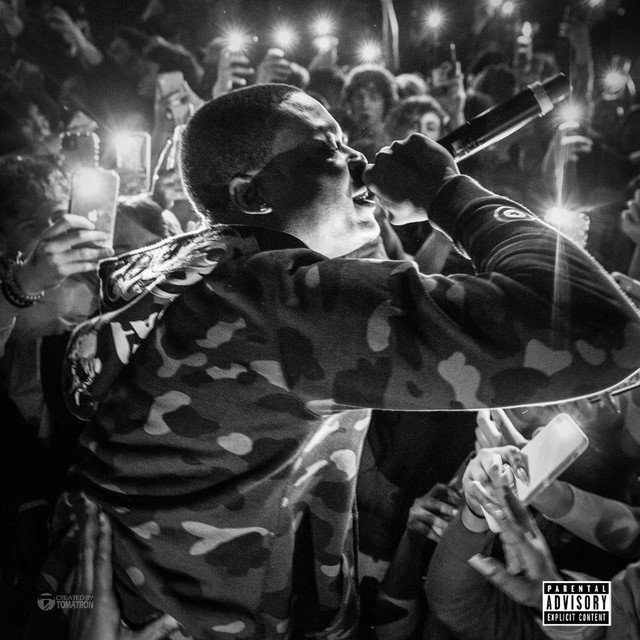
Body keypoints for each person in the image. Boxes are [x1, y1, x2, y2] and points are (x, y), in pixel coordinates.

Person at [42, 83, 640, 640]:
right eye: (330, 148)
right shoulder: (277, 302)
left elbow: (607, 608)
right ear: (251, 194)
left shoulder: (199, 278)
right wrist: (447, 194)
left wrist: (557, 590)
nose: (360, 159)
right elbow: (604, 330)